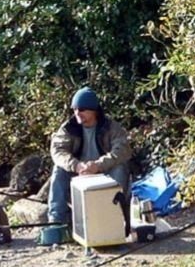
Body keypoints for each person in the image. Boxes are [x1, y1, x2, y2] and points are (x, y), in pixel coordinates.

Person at [46, 86, 132, 225]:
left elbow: (122, 150)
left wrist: (98, 165)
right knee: (58, 170)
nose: (77, 113)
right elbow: (58, 151)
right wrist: (76, 165)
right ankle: (57, 221)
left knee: (120, 169)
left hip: (104, 172)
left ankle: (115, 217)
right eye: (74, 109)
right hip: (78, 173)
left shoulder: (111, 127)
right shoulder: (68, 128)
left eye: (82, 110)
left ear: (94, 111)